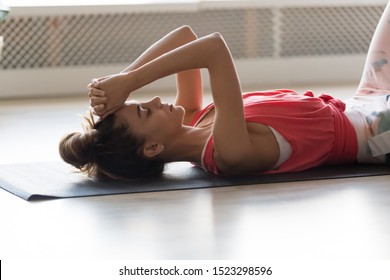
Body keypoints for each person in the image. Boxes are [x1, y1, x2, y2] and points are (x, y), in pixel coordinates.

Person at [59, 3, 390, 180]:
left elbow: (185, 36)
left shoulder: (192, 117)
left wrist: (120, 80)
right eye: (146, 111)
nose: (156, 100)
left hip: (364, 98)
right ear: (153, 147)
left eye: (143, 102)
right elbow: (213, 48)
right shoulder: (227, 153)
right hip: (378, 132)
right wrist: (129, 84)